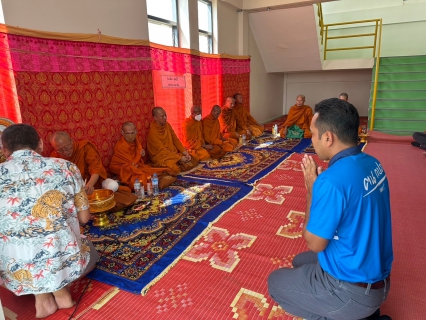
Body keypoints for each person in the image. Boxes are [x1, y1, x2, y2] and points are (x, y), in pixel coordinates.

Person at [268, 98, 393, 320]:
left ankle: (348, 315)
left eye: (313, 134)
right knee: (299, 262)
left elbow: (314, 243)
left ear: (328, 138)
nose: (312, 141)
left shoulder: (331, 180)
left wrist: (310, 191)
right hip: (379, 279)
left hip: (352, 292)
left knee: (276, 282)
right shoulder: (374, 163)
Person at [0, 124, 98, 318]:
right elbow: (85, 218)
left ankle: (42, 298)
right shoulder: (65, 167)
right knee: (89, 251)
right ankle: (61, 293)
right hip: (63, 259)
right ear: (41, 144)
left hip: (15, 269)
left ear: (4, 150)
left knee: (27, 246)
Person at [109, 122, 177, 191]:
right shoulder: (121, 146)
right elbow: (131, 164)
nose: (130, 136)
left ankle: (157, 180)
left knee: (160, 171)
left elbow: (136, 158)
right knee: (141, 181)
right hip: (124, 170)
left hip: (135, 167)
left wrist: (142, 154)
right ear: (122, 133)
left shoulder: (135, 140)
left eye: (132, 133)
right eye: (127, 133)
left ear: (136, 131)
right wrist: (139, 155)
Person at [50, 132, 118, 195]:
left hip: (92, 182)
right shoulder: (54, 158)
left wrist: (90, 185)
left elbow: (96, 168)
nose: (65, 152)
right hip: (73, 189)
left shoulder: (84, 147)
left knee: (113, 186)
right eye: (60, 150)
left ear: (71, 141)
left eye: (67, 147)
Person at [147, 107, 199, 174]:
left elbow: (175, 140)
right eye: (162, 116)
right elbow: (162, 151)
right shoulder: (153, 132)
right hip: (162, 157)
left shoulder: (167, 125)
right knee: (175, 169)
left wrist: (185, 153)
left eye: (165, 115)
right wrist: (179, 158)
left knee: (195, 157)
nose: (165, 118)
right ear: (155, 118)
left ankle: (180, 163)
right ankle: (178, 164)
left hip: (172, 153)